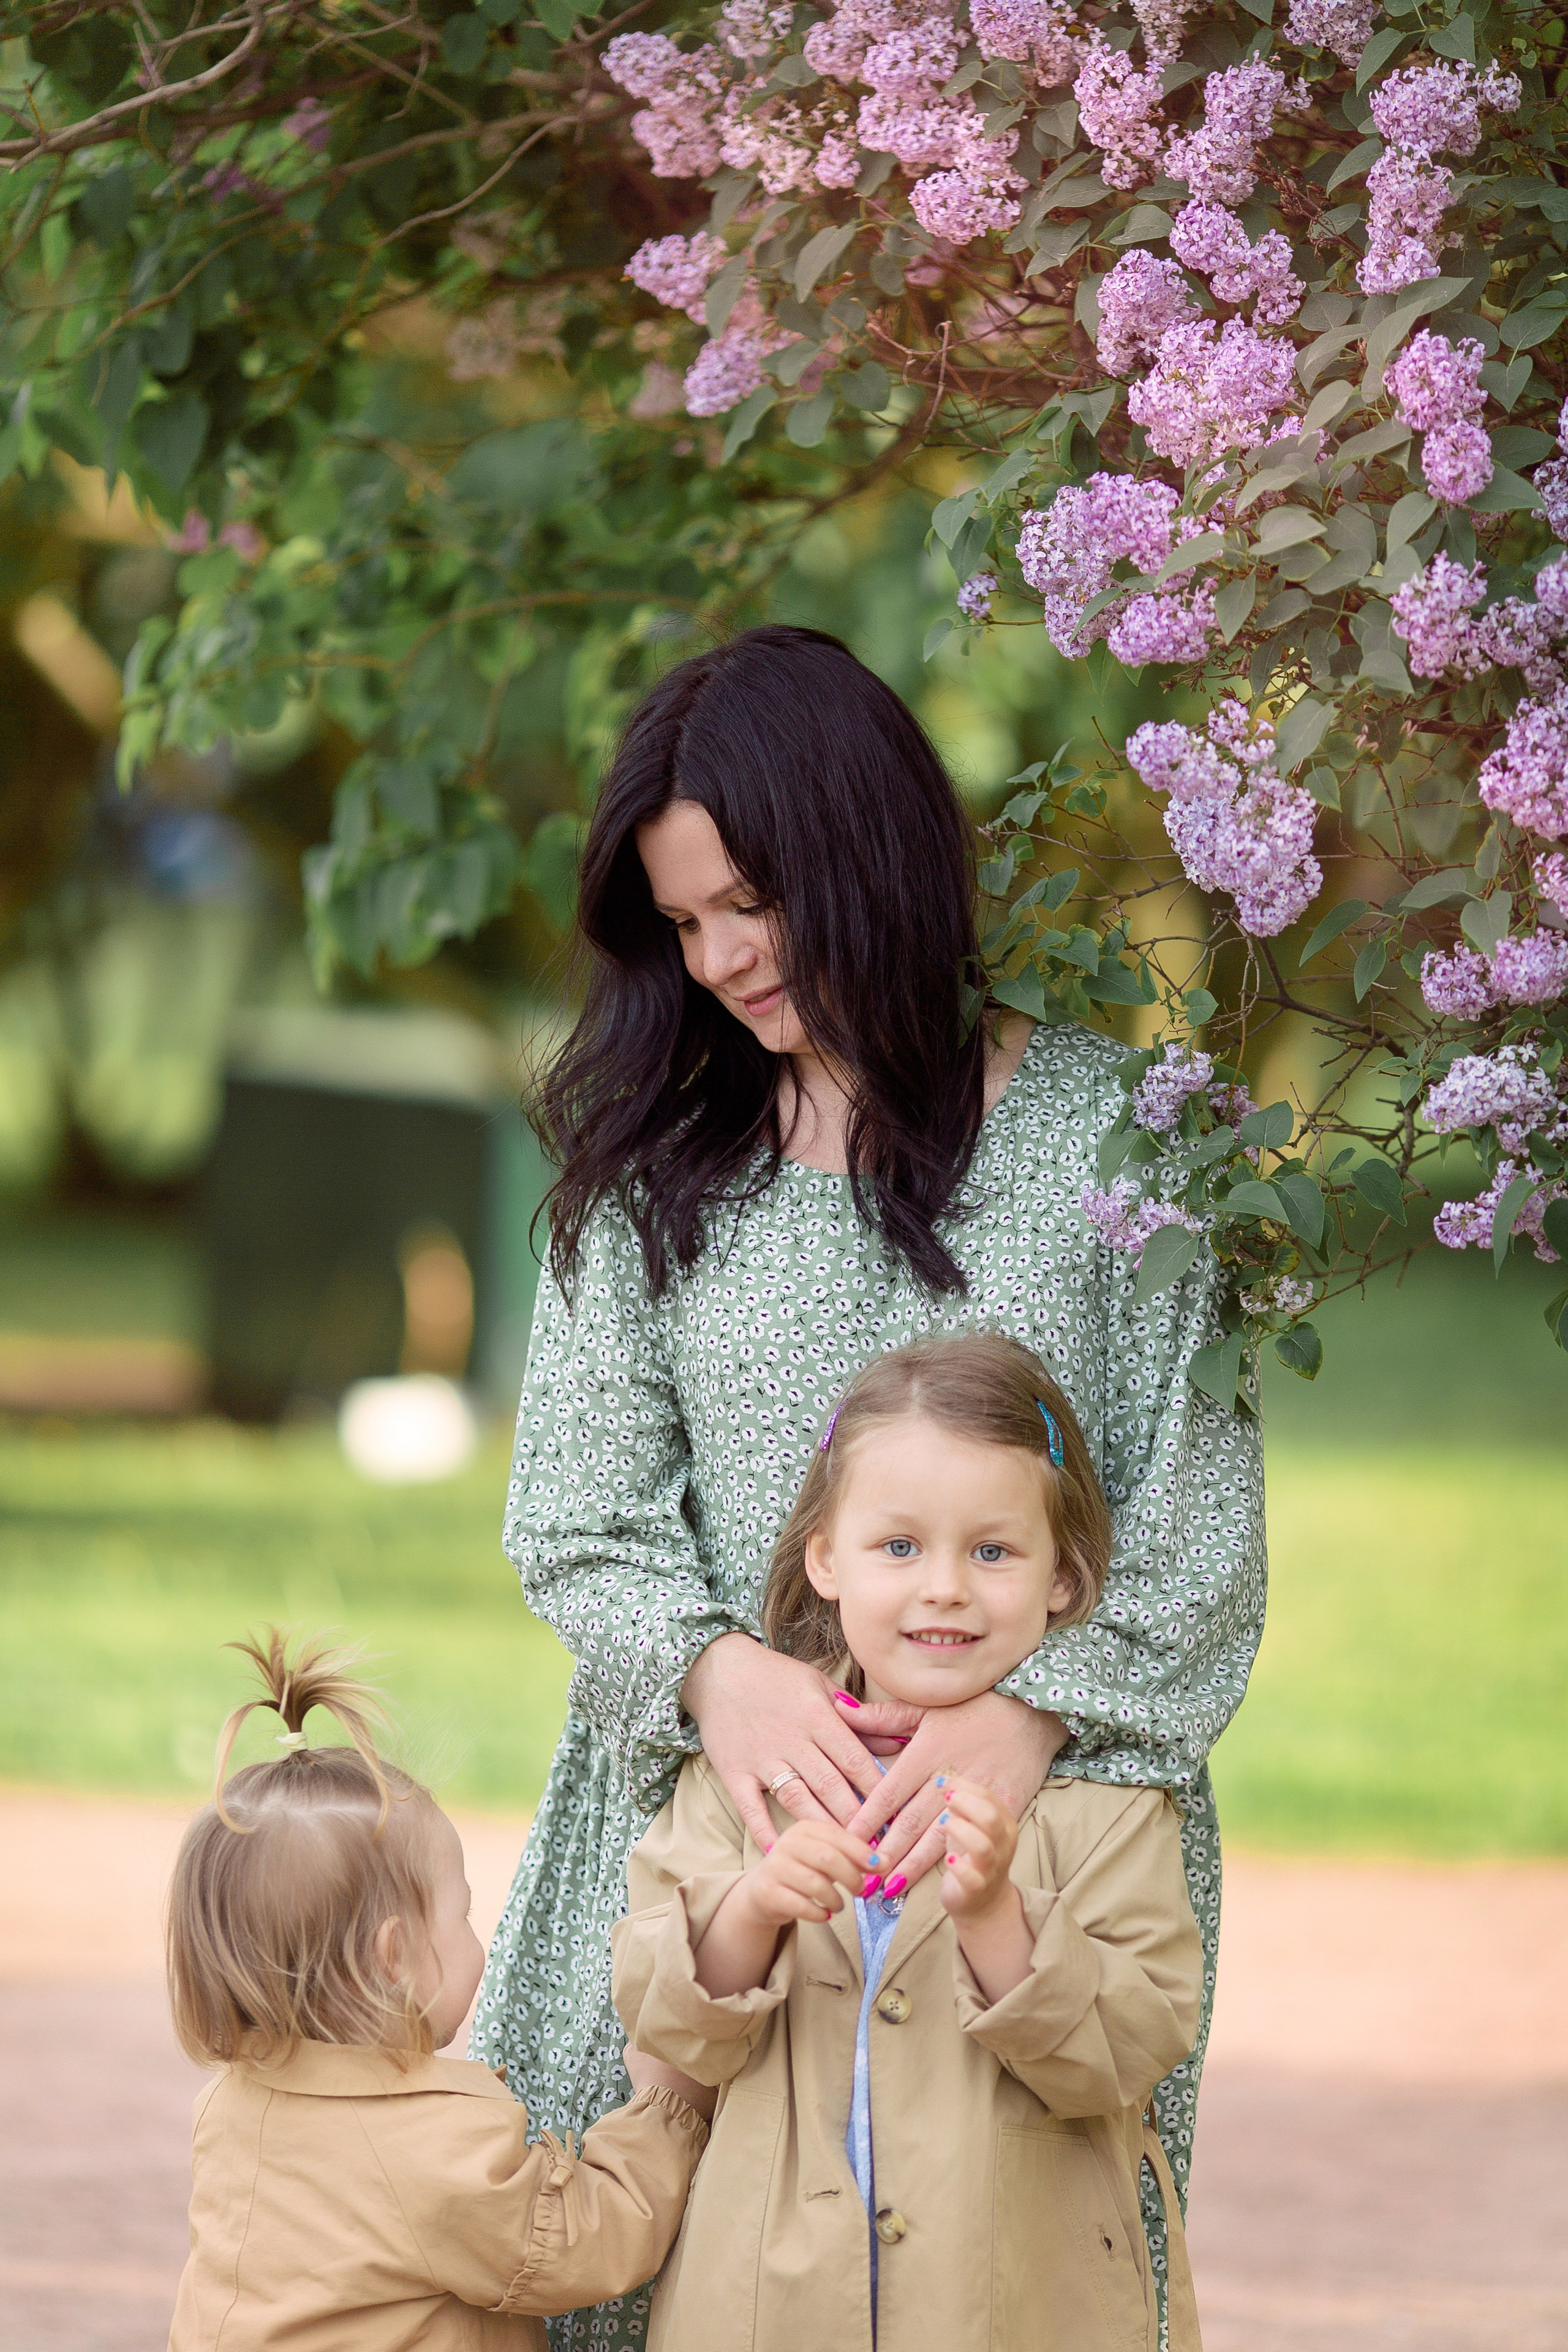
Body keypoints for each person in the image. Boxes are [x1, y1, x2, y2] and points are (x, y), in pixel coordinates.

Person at [472, 624, 1265, 2352]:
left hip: (1043, 1851)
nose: (721, 959)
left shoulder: (1115, 1143)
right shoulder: (650, 1180)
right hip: (715, 1855)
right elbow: (578, 1523)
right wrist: (725, 1682)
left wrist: (1023, 1725)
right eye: (685, 923)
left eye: (751, 901)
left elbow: (1196, 1530)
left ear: (866, 847)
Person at [613, 1333, 1204, 2352]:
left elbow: (1128, 2054)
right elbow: (662, 2020)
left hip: (1010, 2309)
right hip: (767, 2311)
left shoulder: (1109, 1805)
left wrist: (996, 1919)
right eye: (900, 1547)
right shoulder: (749, 1782)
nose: (945, 1588)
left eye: (992, 1552)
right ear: (826, 1560)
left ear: (1062, 1578)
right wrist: (752, 1908)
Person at [165, 1631, 712, 2352]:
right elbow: (587, 2244)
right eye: (461, 1916)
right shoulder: (435, 2145)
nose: (473, 1938)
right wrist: (667, 2106)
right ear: (395, 1957)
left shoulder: (229, 2105)